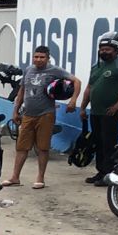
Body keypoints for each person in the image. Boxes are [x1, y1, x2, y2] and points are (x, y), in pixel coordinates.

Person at [7, 45, 80, 188]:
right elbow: (22, 90)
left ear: (48, 58)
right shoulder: (28, 70)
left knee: (43, 147)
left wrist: (73, 100)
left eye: (42, 57)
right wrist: (15, 110)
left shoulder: (55, 70)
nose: (38, 60)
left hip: (45, 114)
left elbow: (76, 81)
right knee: (22, 147)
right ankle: (15, 177)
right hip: (27, 114)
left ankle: (40, 178)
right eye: (36, 57)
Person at [81, 32, 118, 184]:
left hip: (110, 113)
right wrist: (83, 107)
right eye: (102, 49)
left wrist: (117, 105)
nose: (104, 52)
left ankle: (109, 174)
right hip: (96, 112)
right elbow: (89, 87)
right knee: (98, 141)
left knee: (108, 143)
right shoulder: (96, 66)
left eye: (107, 49)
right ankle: (101, 172)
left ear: (116, 50)